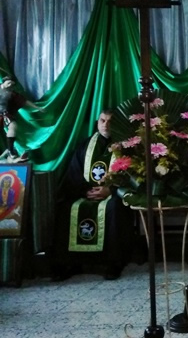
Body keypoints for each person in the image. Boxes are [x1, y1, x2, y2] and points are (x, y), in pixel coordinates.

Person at [51, 109, 134, 281]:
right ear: (97, 122)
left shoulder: (125, 147)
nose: (106, 125)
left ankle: (113, 263)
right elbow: (74, 172)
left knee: (114, 207)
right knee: (66, 207)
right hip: (86, 192)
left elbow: (131, 176)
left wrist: (110, 190)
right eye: (102, 120)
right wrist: (85, 191)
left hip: (113, 194)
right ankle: (71, 262)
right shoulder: (85, 145)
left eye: (110, 121)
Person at [0, 76, 39, 161]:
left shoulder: (12, 93)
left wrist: (38, 108)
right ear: (4, 81)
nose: (10, 85)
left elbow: (24, 101)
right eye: (9, 83)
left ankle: (10, 151)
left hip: (4, 114)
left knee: (13, 126)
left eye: (12, 84)